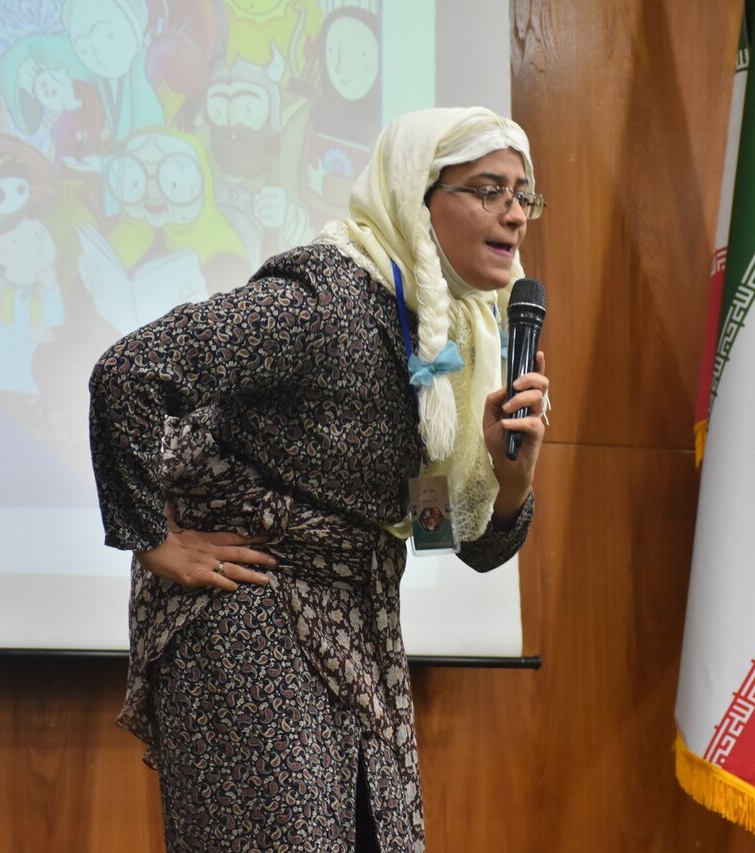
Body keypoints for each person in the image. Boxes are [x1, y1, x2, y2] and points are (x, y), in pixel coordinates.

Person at [88, 106, 549, 851]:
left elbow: (458, 542)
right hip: (246, 621)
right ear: (417, 194)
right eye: (489, 190)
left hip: (358, 632)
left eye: (523, 195)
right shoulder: (322, 300)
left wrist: (511, 480)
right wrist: (154, 541)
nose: (515, 214)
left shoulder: (463, 336)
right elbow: (129, 373)